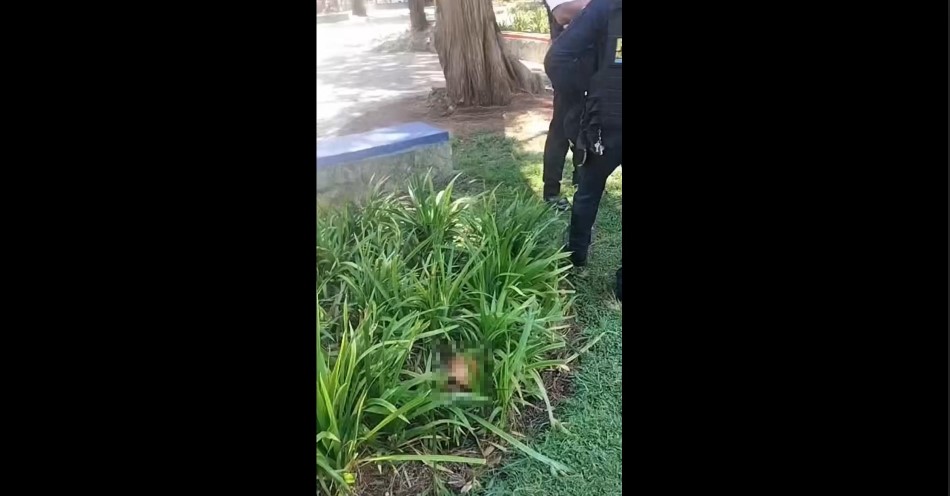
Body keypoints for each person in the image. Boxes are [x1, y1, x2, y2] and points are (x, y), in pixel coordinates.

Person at [544, 0, 622, 301]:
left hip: (602, 121)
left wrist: (587, 94)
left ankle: (575, 258)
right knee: (587, 190)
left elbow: (558, 59)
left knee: (587, 192)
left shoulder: (605, 6)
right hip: (603, 121)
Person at [539, 0, 590, 211]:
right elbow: (561, 14)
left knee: (587, 124)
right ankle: (551, 191)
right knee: (561, 129)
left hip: (590, 63)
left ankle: (583, 180)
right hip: (568, 65)